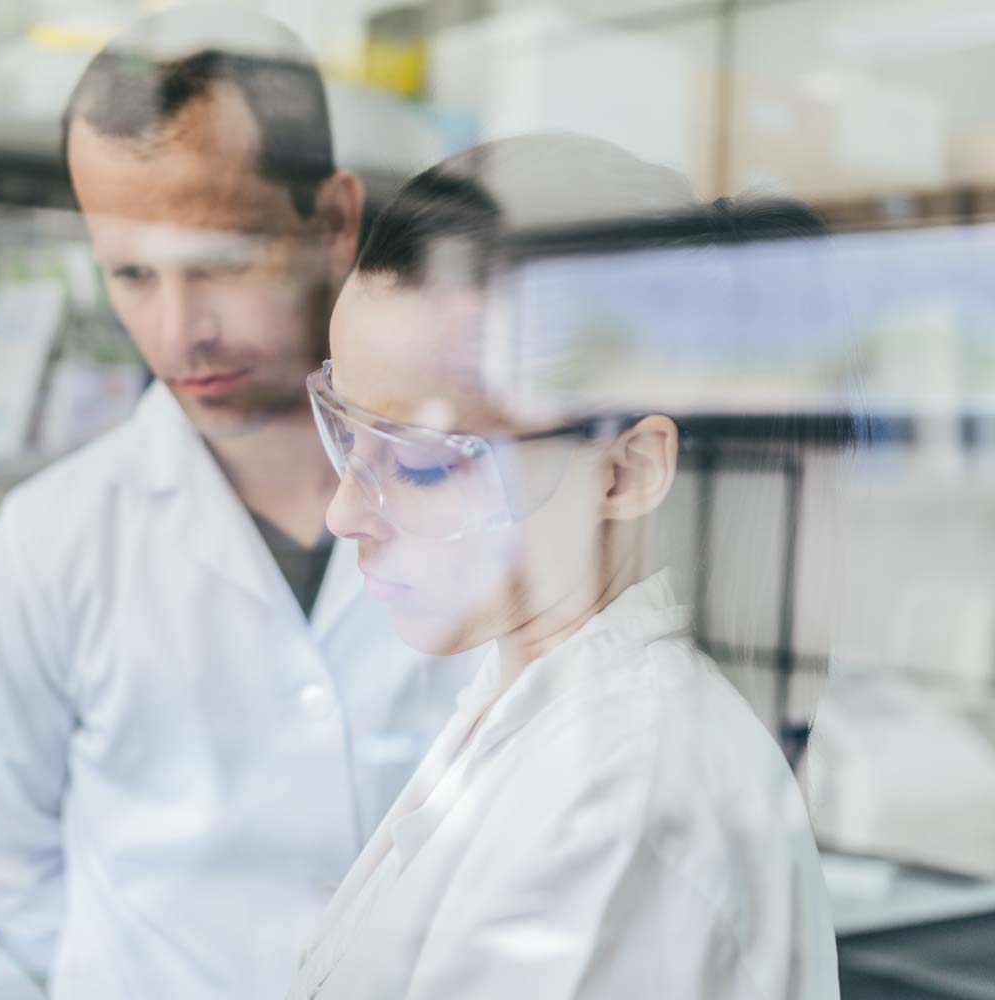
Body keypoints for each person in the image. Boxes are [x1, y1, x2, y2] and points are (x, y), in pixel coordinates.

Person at [0, 12, 480, 1000]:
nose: (179, 332)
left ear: (333, 223)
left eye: (223, 260)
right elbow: (6, 863)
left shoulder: (482, 502)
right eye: (132, 274)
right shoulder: (48, 541)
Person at [284, 135, 842, 998]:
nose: (345, 510)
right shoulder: (539, 710)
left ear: (626, 471)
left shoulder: (622, 816)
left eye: (424, 463)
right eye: (348, 433)